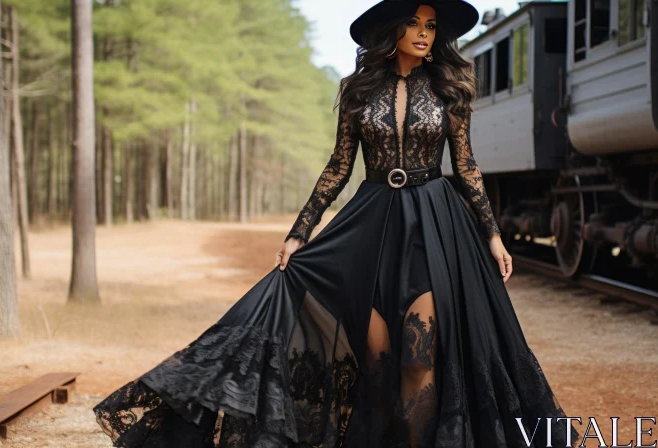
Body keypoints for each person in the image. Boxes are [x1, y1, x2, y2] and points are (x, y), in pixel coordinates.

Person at [93, 1, 581, 447]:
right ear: (391, 29)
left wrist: (493, 233)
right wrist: (299, 232)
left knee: (418, 359)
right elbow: (338, 167)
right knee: (376, 360)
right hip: (370, 223)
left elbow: (467, 165)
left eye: (431, 26)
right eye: (414, 22)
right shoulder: (358, 90)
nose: (424, 33)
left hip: (433, 224)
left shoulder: (451, 88)